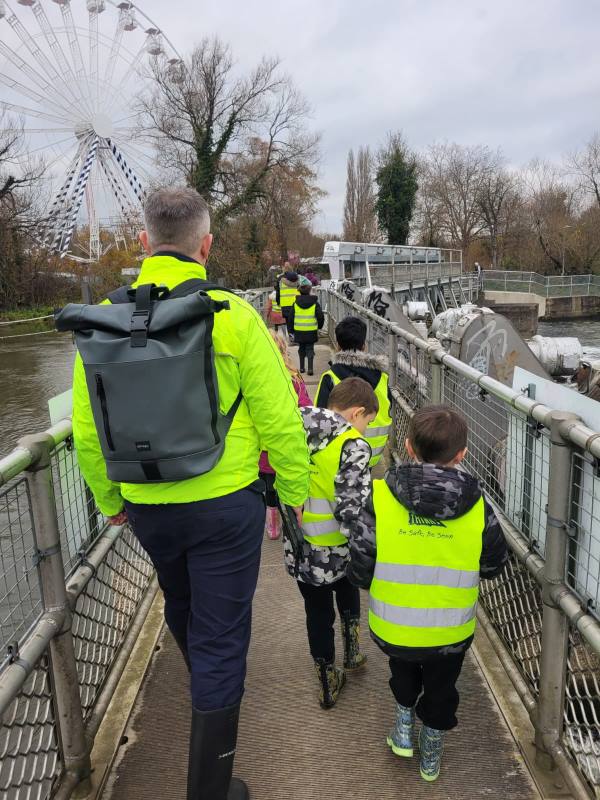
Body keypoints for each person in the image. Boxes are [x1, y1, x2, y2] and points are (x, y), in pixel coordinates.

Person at [71, 187, 310, 800]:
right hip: (226, 504)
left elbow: (87, 429)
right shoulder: (229, 313)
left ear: (147, 242)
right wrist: (293, 488)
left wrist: (109, 500)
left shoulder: (102, 320)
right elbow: (279, 413)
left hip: (148, 503)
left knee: (180, 600)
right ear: (206, 245)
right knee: (223, 635)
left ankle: (206, 677)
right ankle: (210, 787)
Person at [347, 405, 508, 783]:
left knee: (402, 671)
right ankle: (431, 748)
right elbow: (493, 564)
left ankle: (403, 725)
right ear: (462, 455)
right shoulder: (478, 507)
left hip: (394, 626)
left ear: (407, 446)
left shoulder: (381, 497)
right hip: (449, 631)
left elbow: (361, 559)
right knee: (441, 687)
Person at [286, 377, 376, 709]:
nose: (366, 429)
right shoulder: (353, 445)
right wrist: (366, 543)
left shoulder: (295, 425)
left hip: (304, 545)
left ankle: (327, 677)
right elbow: (350, 505)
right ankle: (352, 651)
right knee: (348, 589)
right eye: (367, 421)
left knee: (317, 611)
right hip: (340, 545)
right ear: (356, 413)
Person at [316, 315, 392, 468]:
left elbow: (319, 417)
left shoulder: (330, 377)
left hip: (341, 453)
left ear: (338, 346)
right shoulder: (382, 377)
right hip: (372, 453)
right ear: (364, 346)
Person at [259, 331, 311, 539]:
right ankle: (292, 520)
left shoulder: (255, 381)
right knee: (288, 484)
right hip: (288, 445)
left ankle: (272, 525)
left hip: (262, 451)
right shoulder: (293, 378)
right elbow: (306, 408)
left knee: (269, 488)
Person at [288, 278, 324, 375]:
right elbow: (320, 316)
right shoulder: (315, 303)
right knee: (310, 348)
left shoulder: (295, 304)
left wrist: (290, 330)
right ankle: (310, 369)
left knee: (301, 348)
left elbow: (290, 318)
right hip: (311, 331)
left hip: (299, 331)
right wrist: (320, 326)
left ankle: (302, 368)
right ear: (309, 290)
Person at [275, 269, 300, 339]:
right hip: (296, 304)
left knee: (288, 322)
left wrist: (278, 302)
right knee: (296, 320)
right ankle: (297, 336)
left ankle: (291, 337)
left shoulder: (281, 282)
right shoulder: (298, 283)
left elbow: (278, 293)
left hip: (285, 305)